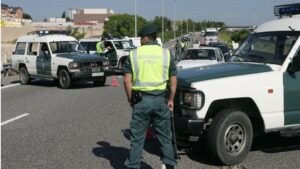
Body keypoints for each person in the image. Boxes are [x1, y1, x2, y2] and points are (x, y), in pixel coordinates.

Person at [123, 24, 177, 169]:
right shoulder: (166, 54)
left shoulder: (134, 54)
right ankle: (169, 165)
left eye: (141, 37)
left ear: (146, 37)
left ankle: (134, 165)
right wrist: (171, 99)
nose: (140, 40)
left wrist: (130, 99)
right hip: (161, 101)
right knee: (165, 137)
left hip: (141, 101)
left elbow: (127, 80)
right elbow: (173, 81)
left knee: (137, 138)